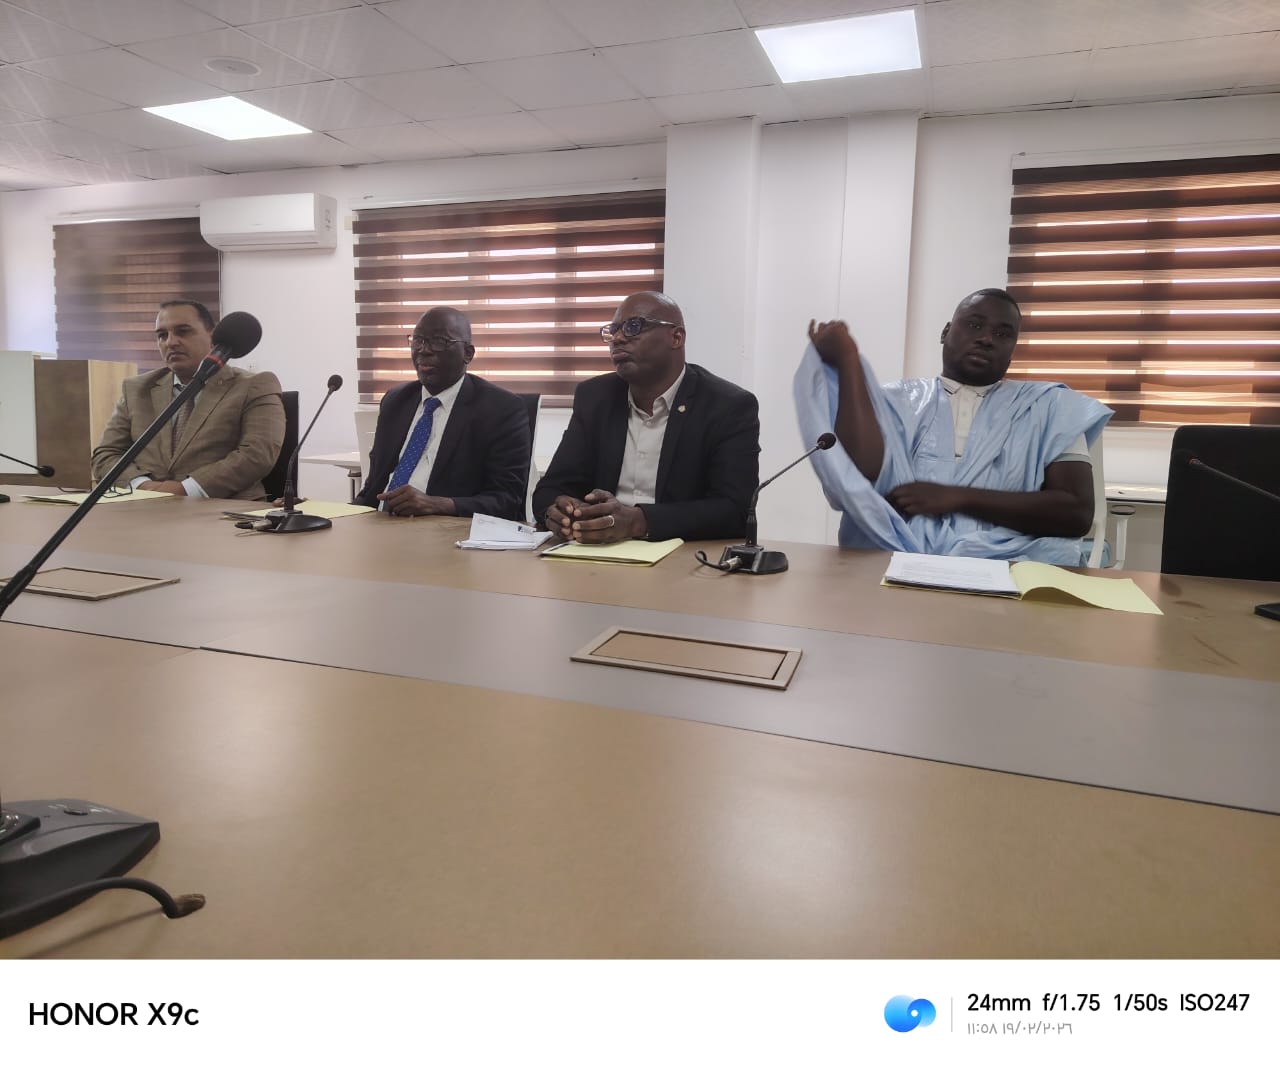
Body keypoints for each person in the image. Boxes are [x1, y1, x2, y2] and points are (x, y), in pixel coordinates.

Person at [795, 288, 1112, 563]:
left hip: (1007, 570)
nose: (986, 339)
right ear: (946, 332)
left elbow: (1076, 514)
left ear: (1013, 349)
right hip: (890, 564)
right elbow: (859, 476)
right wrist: (848, 361)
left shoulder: (1050, 406)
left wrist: (958, 497)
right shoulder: (892, 400)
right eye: (974, 325)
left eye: (1003, 334)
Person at [533, 291, 760, 544]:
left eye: (634, 327)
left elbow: (735, 511)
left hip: (680, 555)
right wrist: (560, 512)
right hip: (595, 552)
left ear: (676, 337)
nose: (618, 338)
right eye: (613, 330)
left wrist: (638, 521)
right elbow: (549, 489)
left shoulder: (727, 406)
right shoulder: (595, 397)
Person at [92, 300, 285, 500]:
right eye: (162, 335)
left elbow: (257, 455)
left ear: (213, 336)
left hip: (222, 508)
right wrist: (141, 486)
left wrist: (185, 489)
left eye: (183, 332)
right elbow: (106, 455)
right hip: (143, 506)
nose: (170, 342)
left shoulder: (255, 385)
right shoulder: (136, 388)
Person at [355, 306, 530, 520]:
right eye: (418, 340)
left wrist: (436, 504)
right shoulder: (396, 400)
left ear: (468, 354)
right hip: (380, 524)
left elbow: (507, 500)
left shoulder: (501, 409)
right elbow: (373, 486)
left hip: (445, 530)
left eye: (439, 341)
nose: (424, 350)